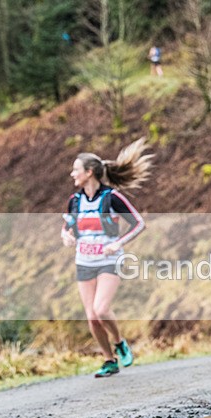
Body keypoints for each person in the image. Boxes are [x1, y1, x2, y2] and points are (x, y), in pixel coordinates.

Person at [61, 139, 152, 378]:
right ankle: (109, 360)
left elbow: (139, 223)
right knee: (91, 317)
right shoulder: (75, 200)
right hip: (84, 262)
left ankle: (120, 342)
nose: (72, 174)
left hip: (109, 261)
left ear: (89, 172)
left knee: (101, 309)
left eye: (76, 170)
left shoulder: (112, 197)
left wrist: (117, 243)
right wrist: (66, 236)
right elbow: (67, 227)